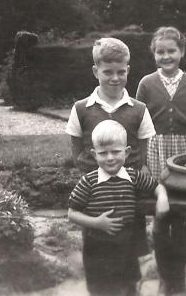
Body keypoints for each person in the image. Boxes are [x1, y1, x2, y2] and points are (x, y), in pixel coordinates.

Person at [65, 37, 156, 258]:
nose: (115, 78)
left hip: (129, 191)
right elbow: (76, 145)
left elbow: (145, 144)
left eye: (121, 72)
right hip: (96, 192)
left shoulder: (139, 109)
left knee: (129, 252)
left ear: (127, 70)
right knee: (98, 252)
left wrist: (138, 168)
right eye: (108, 72)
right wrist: (87, 170)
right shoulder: (81, 108)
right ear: (96, 71)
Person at [68, 120, 170, 296]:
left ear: (127, 151)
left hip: (126, 246)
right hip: (98, 248)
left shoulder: (132, 176)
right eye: (103, 153)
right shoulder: (89, 182)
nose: (110, 158)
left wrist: (162, 198)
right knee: (102, 290)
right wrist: (96, 222)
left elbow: (157, 186)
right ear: (94, 154)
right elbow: (72, 213)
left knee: (129, 286)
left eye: (116, 152)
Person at [136, 27, 186, 295]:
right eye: (160, 52)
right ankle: (165, 277)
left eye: (171, 51)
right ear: (154, 54)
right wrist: (140, 159)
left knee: (180, 213)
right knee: (161, 213)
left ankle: (179, 279)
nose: (166, 56)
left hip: (185, 151)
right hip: (156, 148)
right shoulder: (146, 83)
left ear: (182, 52)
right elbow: (138, 123)